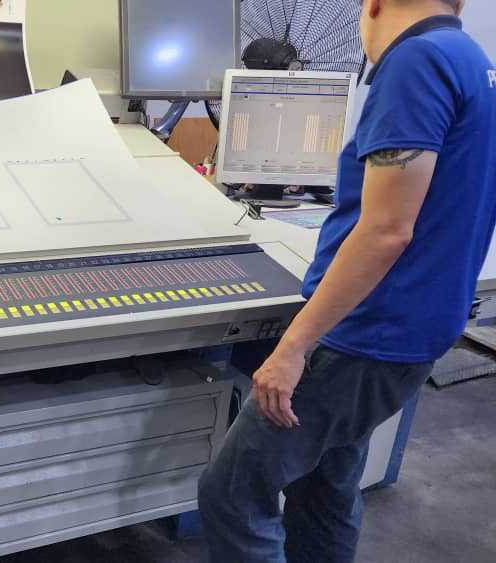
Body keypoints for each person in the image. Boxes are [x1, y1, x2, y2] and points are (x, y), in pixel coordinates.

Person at [197, 1, 496, 562]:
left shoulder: (417, 62)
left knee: (234, 495)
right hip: (417, 327)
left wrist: (292, 347)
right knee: (324, 486)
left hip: (363, 334)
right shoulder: (473, 60)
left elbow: (386, 230)